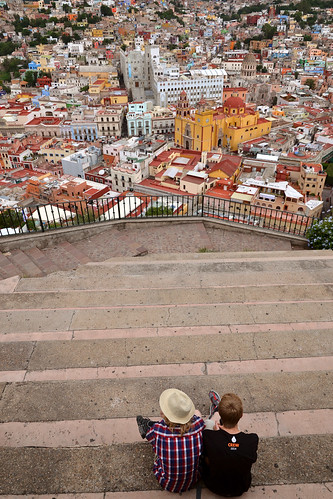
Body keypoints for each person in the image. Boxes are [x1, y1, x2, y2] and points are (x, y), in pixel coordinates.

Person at [136, 388, 205, 494]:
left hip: (167, 482)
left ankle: (146, 425)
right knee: (198, 412)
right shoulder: (199, 425)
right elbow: (199, 420)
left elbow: (151, 437)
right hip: (193, 480)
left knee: (156, 442)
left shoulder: (158, 430)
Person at [202, 391, 259, 497]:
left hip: (214, 485)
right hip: (241, 487)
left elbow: (206, 459)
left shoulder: (208, 436)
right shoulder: (252, 440)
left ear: (221, 415)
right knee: (238, 435)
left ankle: (214, 413)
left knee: (208, 423)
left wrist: (217, 433)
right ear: (241, 415)